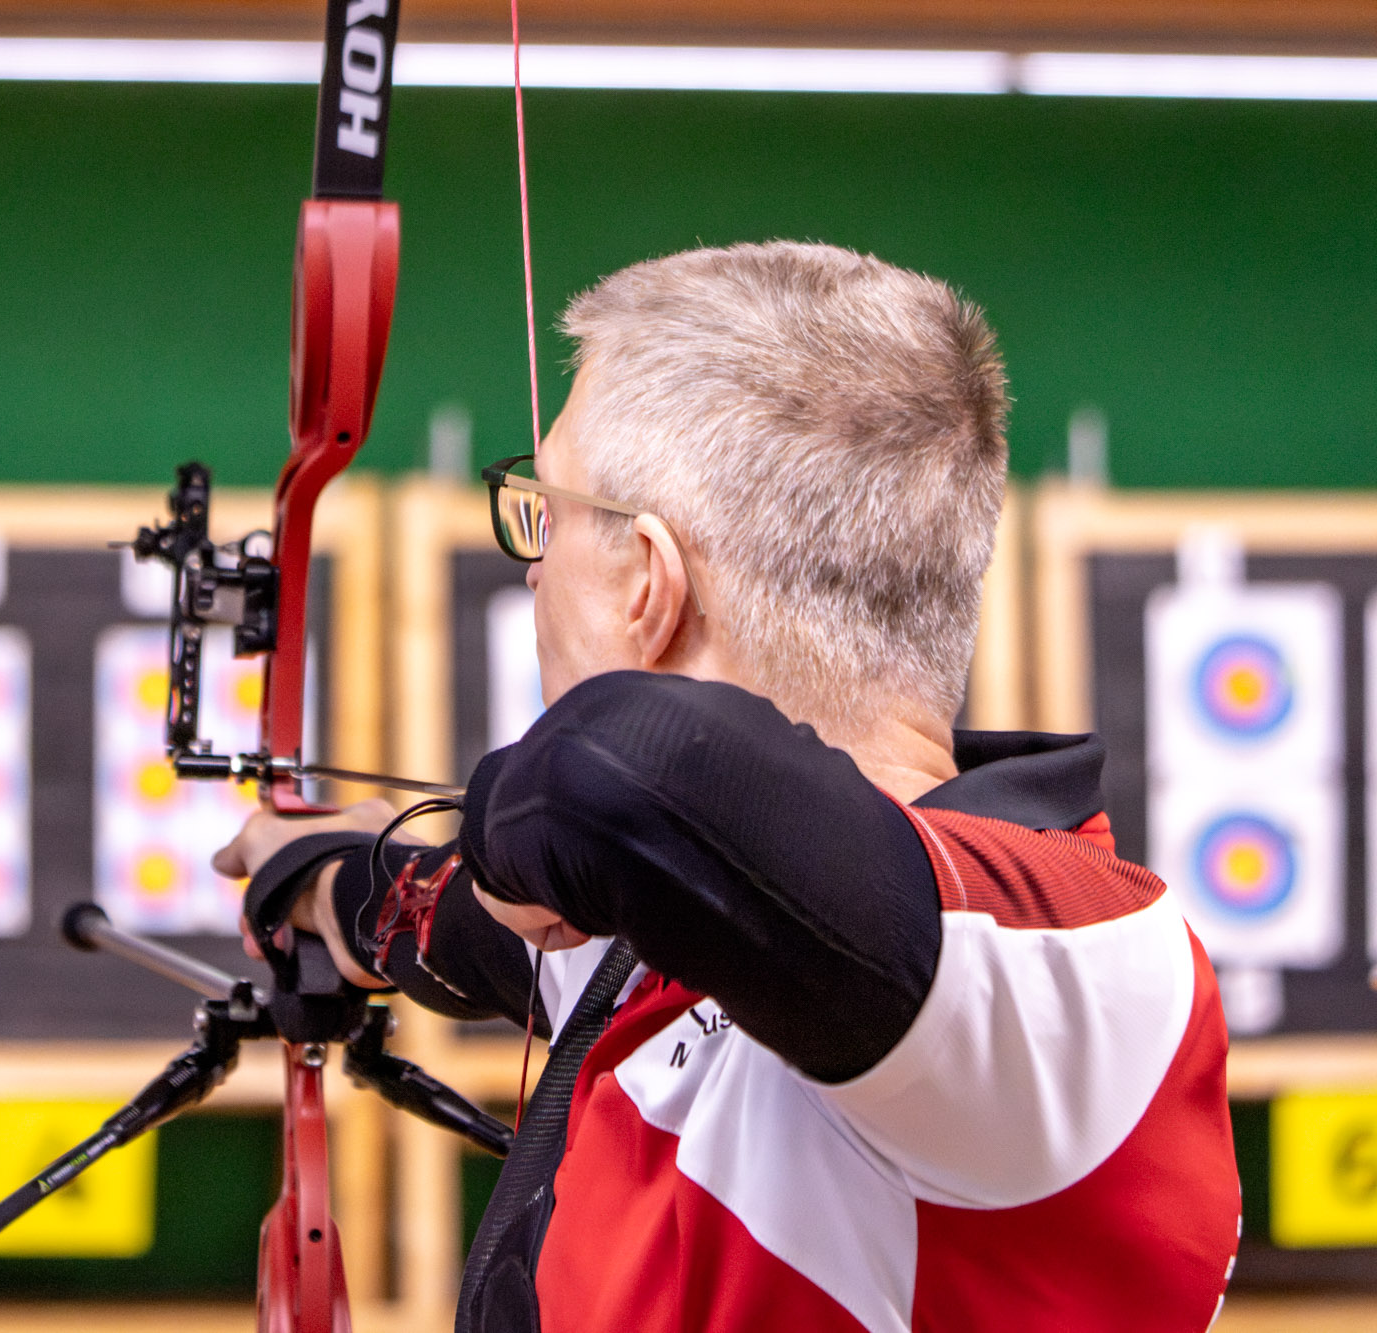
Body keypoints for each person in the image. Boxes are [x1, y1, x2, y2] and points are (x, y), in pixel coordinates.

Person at [214, 241, 1241, 1332]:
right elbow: (453, 920)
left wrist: (505, 829)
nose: (532, 567)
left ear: (648, 586)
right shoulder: (681, 926)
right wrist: (315, 868)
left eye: (543, 514)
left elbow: (611, 777)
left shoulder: (1060, 972)